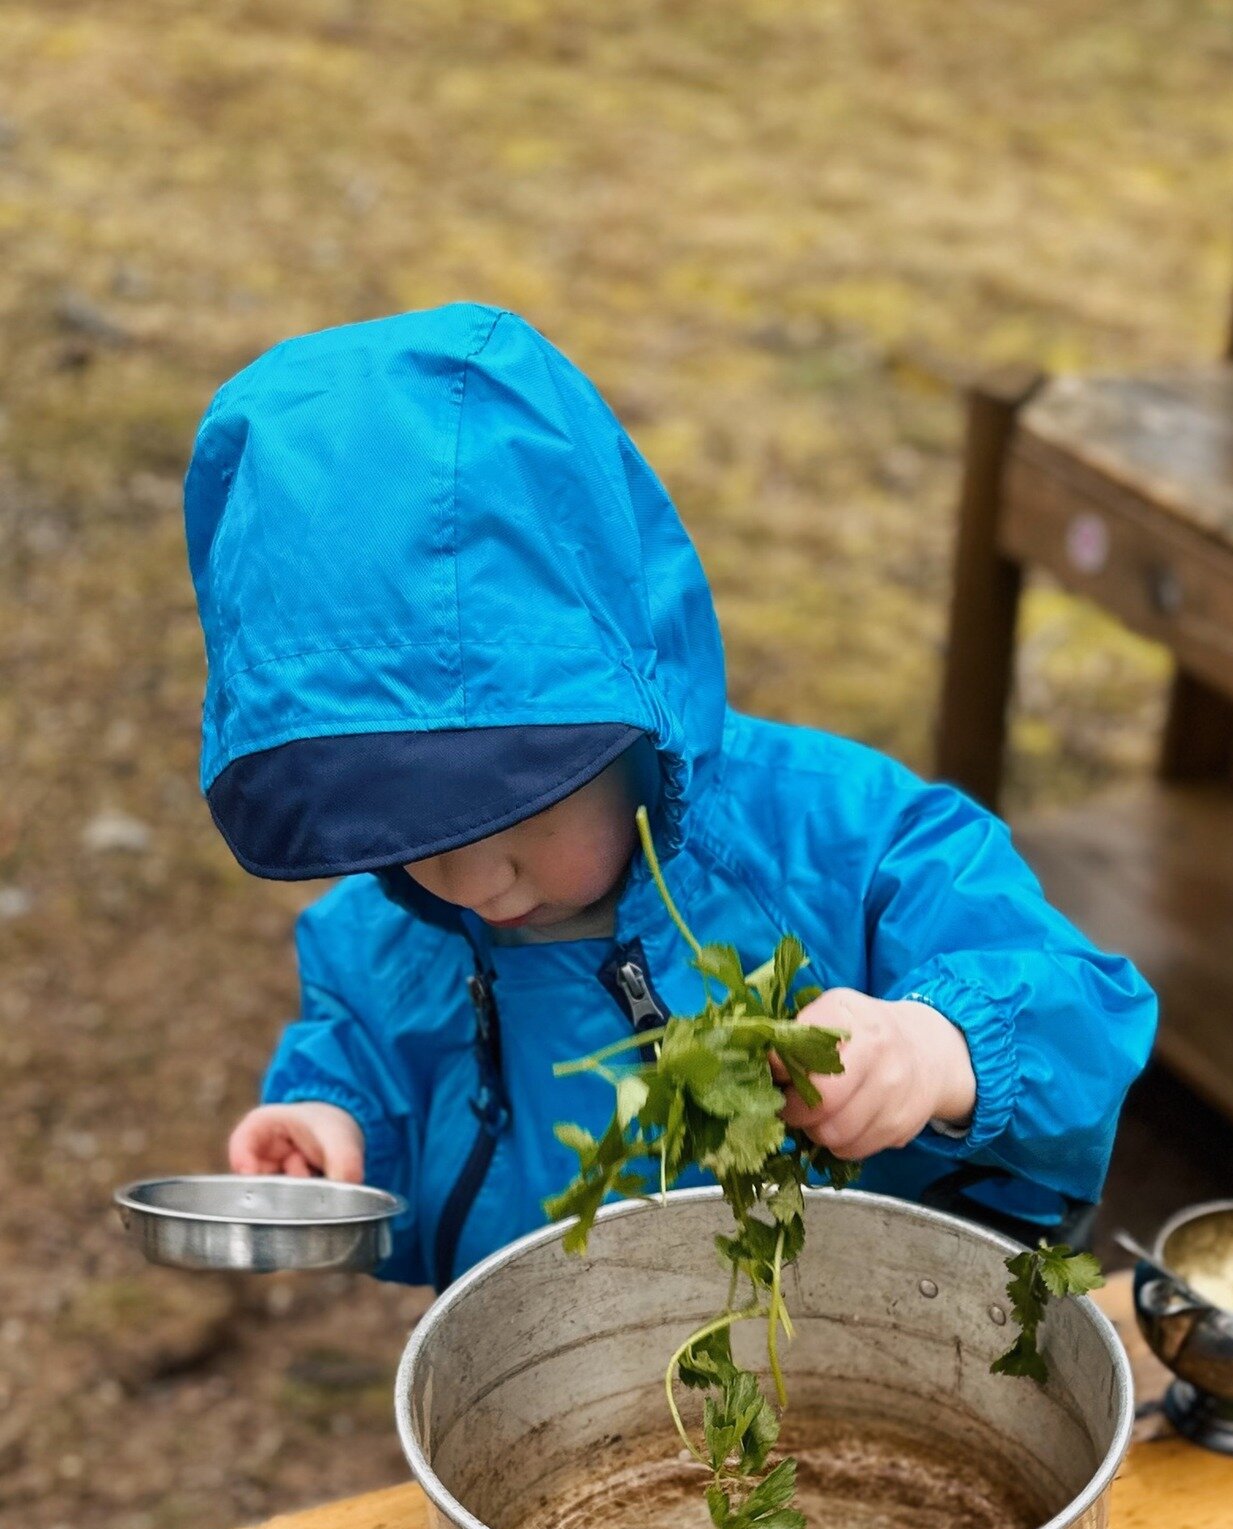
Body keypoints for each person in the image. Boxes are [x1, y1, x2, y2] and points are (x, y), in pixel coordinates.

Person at [186, 304, 1157, 1287]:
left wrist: (932, 1048)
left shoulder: (837, 840)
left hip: (853, 1339)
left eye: (516, 806)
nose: (472, 876)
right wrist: (335, 1131)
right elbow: (372, 1057)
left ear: (625, 716)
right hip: (551, 1376)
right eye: (413, 829)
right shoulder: (388, 932)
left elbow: (1082, 1007)